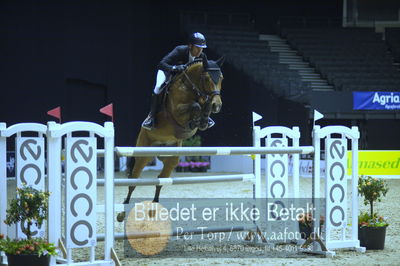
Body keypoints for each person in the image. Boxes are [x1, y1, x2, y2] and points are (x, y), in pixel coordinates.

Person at [142, 32, 214, 130]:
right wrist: (175, 67)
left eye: (201, 48)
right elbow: (161, 64)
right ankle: (151, 116)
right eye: (197, 48)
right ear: (190, 46)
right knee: (158, 86)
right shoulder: (180, 50)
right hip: (168, 71)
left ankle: (205, 116)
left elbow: (205, 73)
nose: (199, 51)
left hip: (185, 79)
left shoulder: (202, 57)